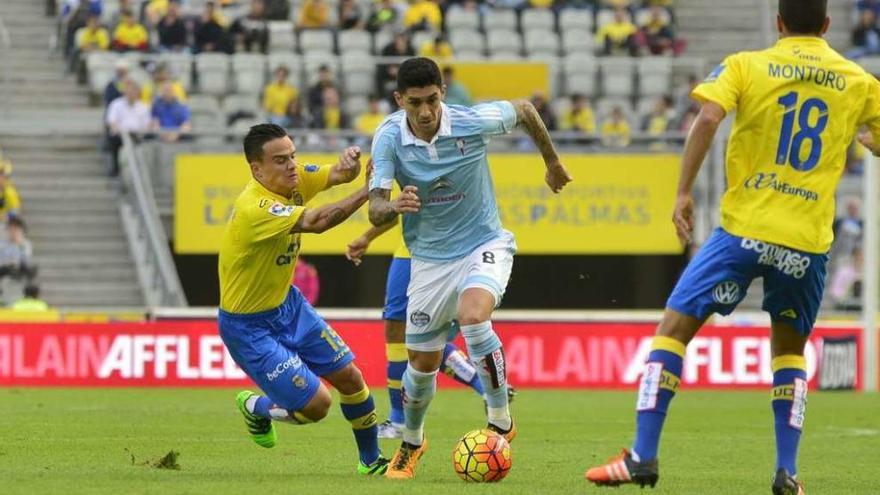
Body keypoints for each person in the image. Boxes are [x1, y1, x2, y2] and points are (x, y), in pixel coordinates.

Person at [586, 1, 880, 493]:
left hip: (745, 229)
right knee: (789, 352)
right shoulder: (859, 80)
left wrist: (683, 192)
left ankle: (643, 455)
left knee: (673, 330)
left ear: (780, 23)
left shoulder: (747, 64)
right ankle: (787, 470)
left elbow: (706, 117)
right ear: (827, 26)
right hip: (806, 242)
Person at [368, 57, 571, 479]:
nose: (425, 112)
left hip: (484, 243)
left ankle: (500, 420)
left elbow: (526, 109)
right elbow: (374, 209)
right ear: (399, 100)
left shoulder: (471, 121)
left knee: (474, 317)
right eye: (415, 104)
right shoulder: (388, 137)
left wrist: (551, 162)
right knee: (421, 365)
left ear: (442, 92)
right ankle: (413, 439)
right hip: (428, 260)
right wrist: (393, 206)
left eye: (432, 100)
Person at [219, 123, 389, 475]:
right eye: (280, 160)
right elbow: (319, 221)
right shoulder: (255, 208)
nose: (292, 165)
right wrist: (366, 191)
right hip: (248, 327)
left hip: (288, 305)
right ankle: (256, 407)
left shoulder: (294, 179)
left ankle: (371, 462)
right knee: (317, 406)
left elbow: (338, 173)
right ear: (257, 169)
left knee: (351, 378)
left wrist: (351, 163)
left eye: (293, 155)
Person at [346, 217, 516, 439]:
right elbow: (402, 208)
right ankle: (482, 386)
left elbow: (404, 202)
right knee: (424, 335)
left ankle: (399, 422)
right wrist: (368, 236)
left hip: (422, 252)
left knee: (406, 331)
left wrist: (368, 233)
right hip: (420, 249)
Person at [106, 79, 152, 176]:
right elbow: (112, 122)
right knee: (113, 139)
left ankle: (143, 169)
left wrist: (140, 134)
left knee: (149, 138)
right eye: (129, 90)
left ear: (138, 92)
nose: (131, 93)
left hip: (138, 135)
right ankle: (116, 167)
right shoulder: (116, 104)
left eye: (134, 90)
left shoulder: (144, 107)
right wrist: (119, 131)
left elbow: (147, 125)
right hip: (121, 134)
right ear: (124, 91)